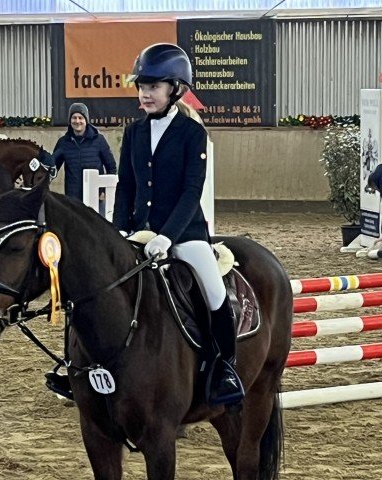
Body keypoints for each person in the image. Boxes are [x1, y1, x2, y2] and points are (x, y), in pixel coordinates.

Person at [112, 43, 244, 408]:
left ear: (175, 89)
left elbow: (192, 191)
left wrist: (168, 236)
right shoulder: (134, 132)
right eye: (142, 86)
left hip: (184, 234)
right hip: (139, 233)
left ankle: (223, 369)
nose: (145, 93)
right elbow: (126, 186)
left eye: (153, 86)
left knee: (214, 292)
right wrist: (120, 230)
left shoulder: (190, 133)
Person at [52, 103, 117, 215]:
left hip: (96, 197)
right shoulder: (63, 143)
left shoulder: (99, 140)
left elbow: (111, 167)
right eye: (74, 118)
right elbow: (52, 168)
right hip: (73, 199)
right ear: (70, 120)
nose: (77, 121)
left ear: (86, 120)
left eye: (80, 118)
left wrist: (104, 191)